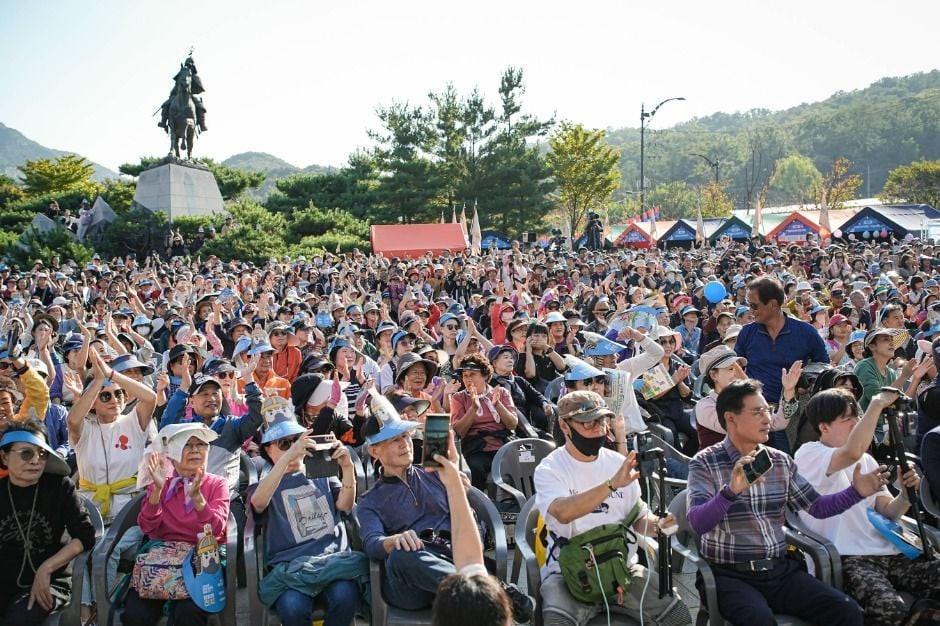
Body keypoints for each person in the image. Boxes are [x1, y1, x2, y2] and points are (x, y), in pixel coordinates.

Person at [687, 379, 892, 626]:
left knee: (846, 611)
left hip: (779, 571)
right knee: (759, 620)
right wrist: (731, 492)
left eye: (768, 410)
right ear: (731, 418)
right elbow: (697, 523)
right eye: (758, 412)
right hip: (729, 575)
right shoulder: (705, 462)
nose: (767, 419)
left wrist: (856, 492)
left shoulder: (780, 461)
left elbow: (818, 507)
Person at [533, 391, 690, 626]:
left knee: (678, 616)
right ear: (565, 426)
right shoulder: (550, 468)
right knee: (558, 622)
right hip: (567, 572)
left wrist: (660, 524)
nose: (599, 429)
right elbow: (562, 513)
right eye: (588, 422)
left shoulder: (617, 463)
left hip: (621, 569)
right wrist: (611, 485)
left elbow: (637, 517)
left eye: (603, 420)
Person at [795, 388, 940, 625]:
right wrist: (876, 404)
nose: (856, 422)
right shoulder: (809, 453)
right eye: (847, 419)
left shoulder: (866, 459)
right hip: (846, 557)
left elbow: (887, 511)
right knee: (890, 610)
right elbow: (852, 451)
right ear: (824, 427)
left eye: (857, 416)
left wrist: (905, 495)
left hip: (890, 550)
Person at [248, 398, 366, 626]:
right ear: (268, 450)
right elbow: (258, 503)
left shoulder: (320, 469)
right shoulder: (267, 482)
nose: (294, 447)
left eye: (297, 440)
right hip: (290, 568)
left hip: (332, 560)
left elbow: (345, 506)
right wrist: (286, 460)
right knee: (293, 607)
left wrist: (347, 467)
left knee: (345, 597)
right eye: (284, 443)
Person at [123, 422, 229, 626]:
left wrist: (197, 498)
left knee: (188, 614)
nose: (195, 450)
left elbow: (216, 530)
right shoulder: (160, 482)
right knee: (135, 613)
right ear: (171, 454)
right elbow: (147, 528)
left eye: (201, 444)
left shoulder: (217, 484)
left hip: (202, 559)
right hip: (162, 561)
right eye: (187, 444)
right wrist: (157, 491)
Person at [0, 417, 96, 625]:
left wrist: (47, 568)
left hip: (52, 580)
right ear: (5, 457)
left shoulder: (59, 487)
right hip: (5, 580)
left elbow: (85, 536)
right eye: (26, 453)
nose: (36, 460)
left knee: (18, 620)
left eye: (42, 454)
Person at [735, 276, 829, 452]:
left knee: (789, 463)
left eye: (754, 305)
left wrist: (806, 381)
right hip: (754, 415)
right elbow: (736, 368)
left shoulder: (805, 332)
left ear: (772, 304)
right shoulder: (747, 333)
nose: (750, 310)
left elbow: (823, 366)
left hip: (793, 415)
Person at [448, 354, 518, 490]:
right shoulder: (459, 398)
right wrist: (473, 408)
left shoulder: (501, 393)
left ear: (485, 375)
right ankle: (480, 503)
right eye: (465, 375)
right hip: (477, 449)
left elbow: (512, 424)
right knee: (475, 468)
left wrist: (497, 405)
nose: (468, 379)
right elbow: (459, 432)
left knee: (525, 460)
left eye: (472, 374)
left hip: (502, 446)